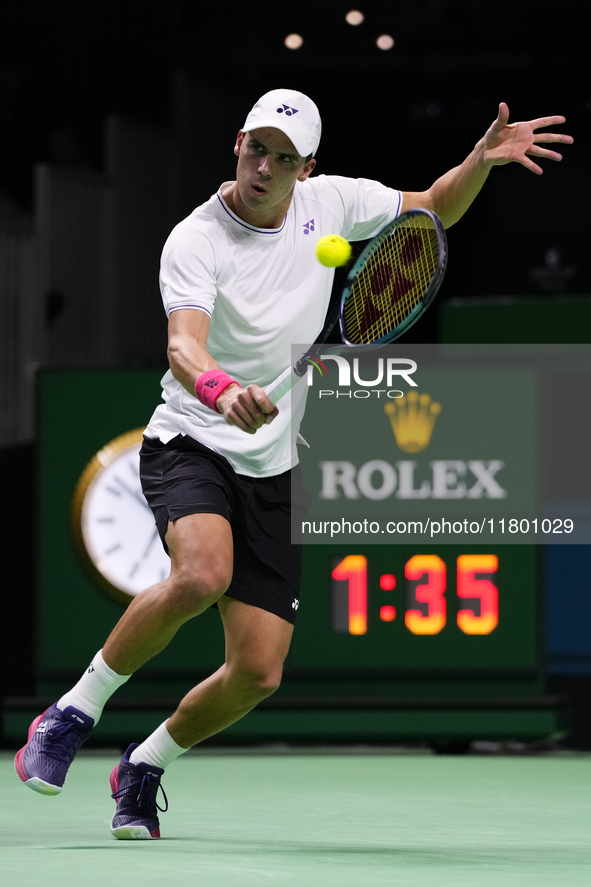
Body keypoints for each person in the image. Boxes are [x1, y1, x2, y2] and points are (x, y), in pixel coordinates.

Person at [15, 88, 572, 839]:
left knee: (258, 672)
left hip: (271, 464)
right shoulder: (196, 238)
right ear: (237, 143)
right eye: (256, 149)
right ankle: (71, 714)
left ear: (307, 167)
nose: (264, 167)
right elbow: (184, 346)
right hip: (191, 440)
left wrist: (478, 159)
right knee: (201, 573)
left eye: (283, 158)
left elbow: (434, 207)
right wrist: (219, 388)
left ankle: (143, 766)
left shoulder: (332, 204)